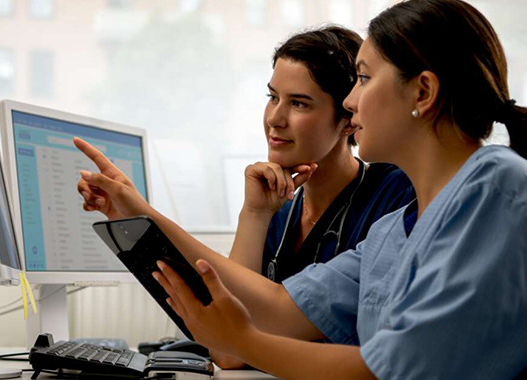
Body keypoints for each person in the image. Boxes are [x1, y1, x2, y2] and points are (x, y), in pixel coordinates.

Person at [77, 1, 527, 378]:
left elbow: (395, 372)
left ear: (423, 91)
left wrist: (243, 340)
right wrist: (139, 211)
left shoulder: (498, 191)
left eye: (362, 78)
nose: (352, 102)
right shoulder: (395, 230)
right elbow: (278, 307)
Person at [75, 26, 414, 368]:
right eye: (273, 97)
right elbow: (226, 351)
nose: (275, 119)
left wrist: (145, 214)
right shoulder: (279, 210)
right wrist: (254, 215)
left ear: (347, 119)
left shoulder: (395, 195)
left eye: (298, 103)